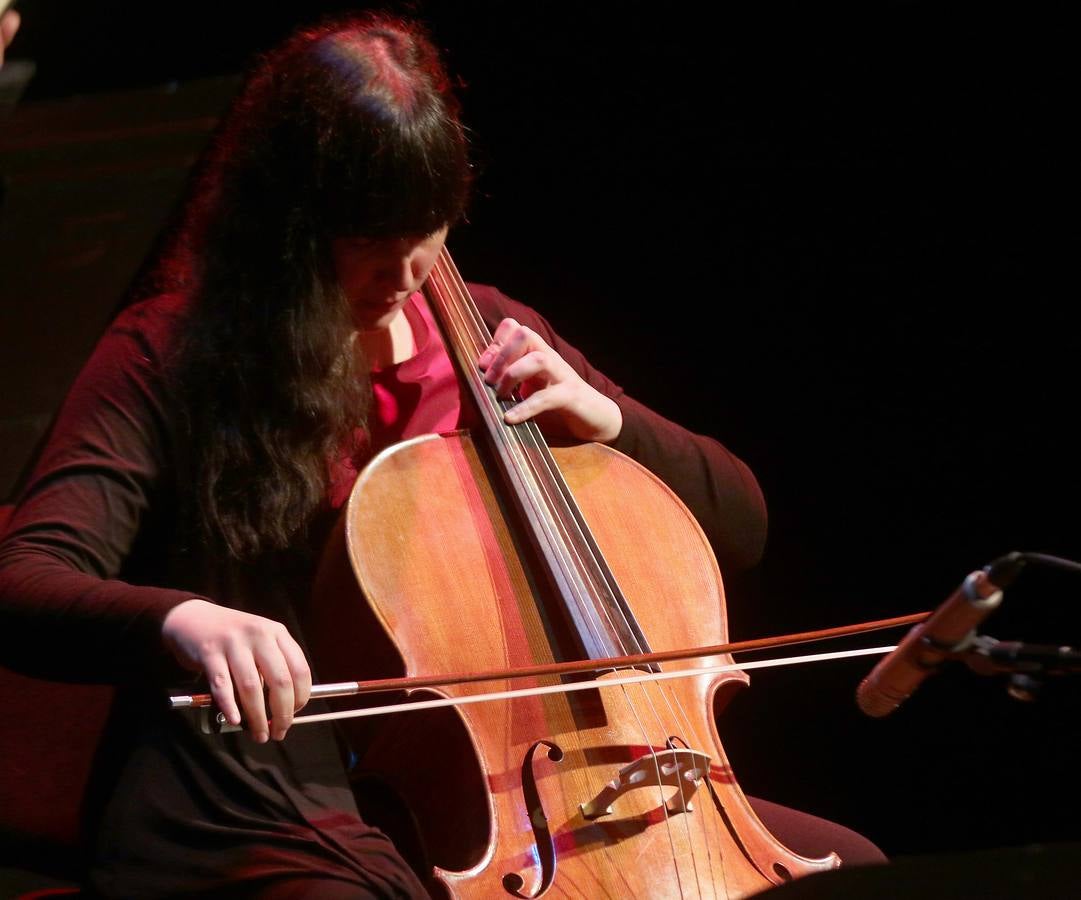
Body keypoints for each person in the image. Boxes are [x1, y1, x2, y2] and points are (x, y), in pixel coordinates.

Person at [0, 12, 884, 898]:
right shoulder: (172, 355)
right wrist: (182, 619)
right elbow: (25, 579)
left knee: (852, 869)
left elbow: (741, 519)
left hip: (500, 793)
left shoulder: (488, 334)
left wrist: (607, 418)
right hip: (258, 805)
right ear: (286, 230)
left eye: (425, 237)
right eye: (366, 247)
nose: (403, 280)